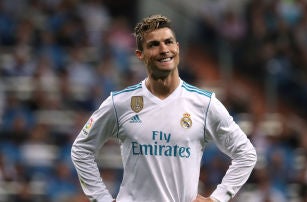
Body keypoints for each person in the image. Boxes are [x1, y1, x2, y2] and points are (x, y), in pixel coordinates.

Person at [71, 14, 257, 202]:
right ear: (140, 55)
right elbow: (81, 150)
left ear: (177, 48)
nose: (163, 49)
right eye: (153, 44)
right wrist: (101, 198)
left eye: (168, 42)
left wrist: (217, 198)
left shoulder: (204, 103)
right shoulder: (120, 103)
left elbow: (246, 154)